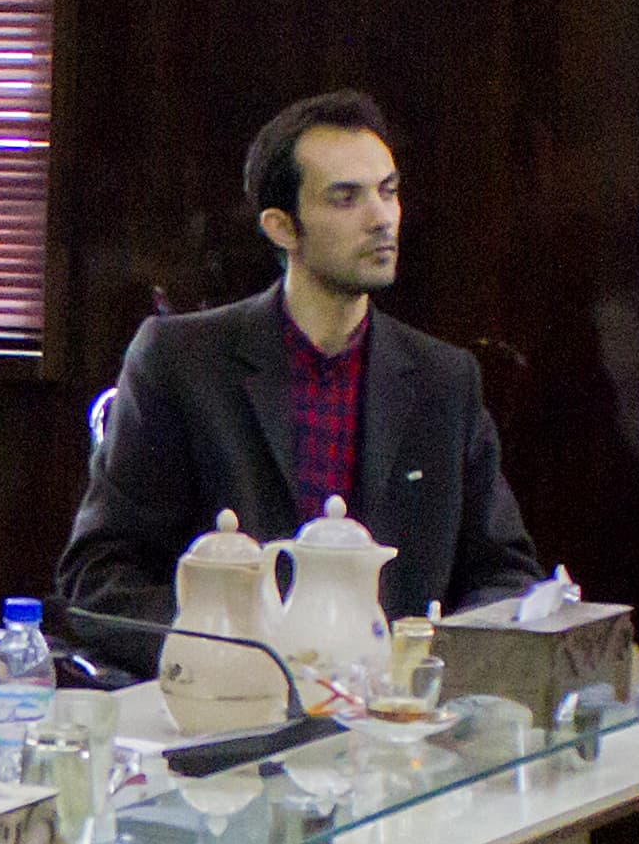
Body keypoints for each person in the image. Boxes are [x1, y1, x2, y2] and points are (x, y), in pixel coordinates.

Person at [62, 92, 546, 671]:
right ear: (281, 227)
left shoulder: (444, 380)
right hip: (223, 696)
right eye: (346, 198)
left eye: (388, 191)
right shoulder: (182, 363)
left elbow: (506, 575)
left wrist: (428, 661)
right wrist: (229, 650)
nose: (382, 218)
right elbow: (98, 577)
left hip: (394, 706)